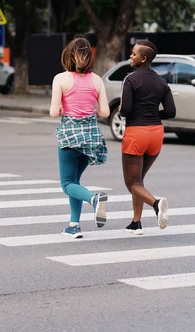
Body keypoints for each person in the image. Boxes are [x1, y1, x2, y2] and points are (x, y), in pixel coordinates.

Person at [49, 36, 110, 239]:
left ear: (68, 56)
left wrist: (60, 108)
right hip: (91, 137)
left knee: (67, 184)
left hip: (69, 137)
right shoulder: (97, 80)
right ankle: (74, 225)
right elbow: (105, 112)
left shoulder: (60, 79)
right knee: (75, 181)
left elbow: (53, 113)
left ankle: (94, 200)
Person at [120, 40, 176, 235]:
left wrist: (124, 110)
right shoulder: (161, 81)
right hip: (156, 134)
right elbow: (170, 111)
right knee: (139, 181)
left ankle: (156, 203)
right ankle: (136, 222)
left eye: (133, 54)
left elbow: (125, 110)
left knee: (131, 182)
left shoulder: (130, 79)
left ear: (143, 58)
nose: (130, 57)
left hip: (137, 133)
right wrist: (152, 114)